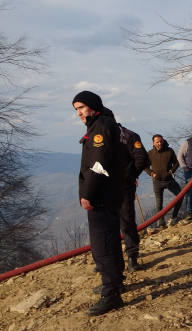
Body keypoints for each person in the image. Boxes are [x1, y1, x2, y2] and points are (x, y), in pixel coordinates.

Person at [72, 90, 125, 316]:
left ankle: (111, 293)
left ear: (93, 106)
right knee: (110, 239)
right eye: (76, 109)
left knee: (103, 245)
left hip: (101, 196)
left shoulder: (101, 126)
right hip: (109, 193)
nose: (79, 113)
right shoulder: (105, 123)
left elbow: (97, 164)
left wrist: (88, 194)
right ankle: (115, 282)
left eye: (81, 107)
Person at [117, 124, 149, 272]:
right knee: (108, 224)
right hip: (103, 188)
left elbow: (142, 158)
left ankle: (132, 258)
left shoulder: (128, 135)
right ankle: (111, 259)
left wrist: (131, 176)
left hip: (123, 187)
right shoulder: (98, 135)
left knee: (127, 221)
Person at [144, 134, 183, 227]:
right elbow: (145, 166)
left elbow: (176, 163)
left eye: (161, 141)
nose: (160, 143)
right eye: (157, 141)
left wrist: (171, 171)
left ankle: (174, 217)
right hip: (157, 181)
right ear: (153, 143)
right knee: (159, 203)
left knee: (180, 196)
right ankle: (161, 223)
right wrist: (151, 173)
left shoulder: (169, 151)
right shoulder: (150, 153)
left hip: (169, 180)